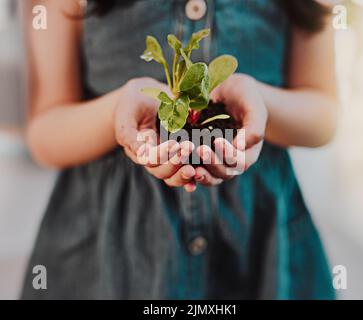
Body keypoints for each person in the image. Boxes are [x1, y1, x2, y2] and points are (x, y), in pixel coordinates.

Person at [22, 0, 338, 299]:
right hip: (106, 254)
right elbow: (45, 135)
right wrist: (117, 111)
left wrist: (260, 103)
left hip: (258, 242)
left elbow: (324, 116)